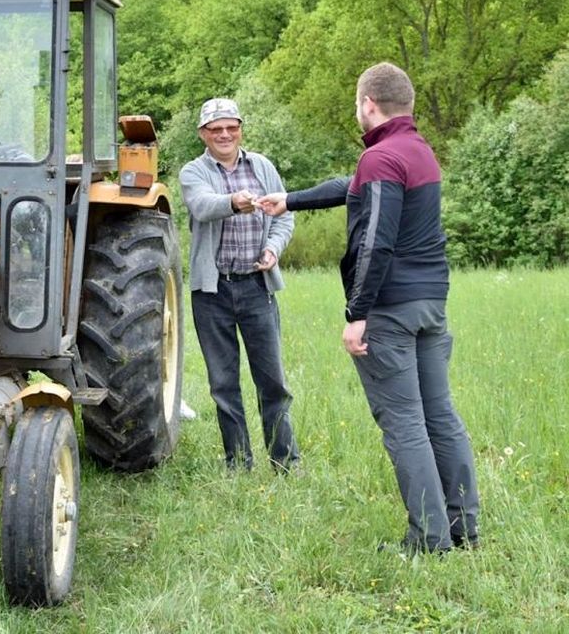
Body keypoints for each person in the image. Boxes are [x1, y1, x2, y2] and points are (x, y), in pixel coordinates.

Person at [257, 62, 479, 553]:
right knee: (440, 415)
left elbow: (376, 241)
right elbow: (350, 185)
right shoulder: (417, 151)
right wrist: (289, 200)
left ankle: (429, 539)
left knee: (405, 424)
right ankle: (464, 528)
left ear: (368, 105)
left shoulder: (381, 160)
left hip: (390, 311)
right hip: (430, 304)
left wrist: (358, 313)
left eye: (357, 104)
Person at [180, 98, 299, 472]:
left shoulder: (262, 166)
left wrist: (272, 248)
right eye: (216, 129)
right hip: (212, 292)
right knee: (223, 384)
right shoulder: (193, 171)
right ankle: (238, 463)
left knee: (273, 381)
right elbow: (202, 206)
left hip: (256, 287)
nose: (225, 135)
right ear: (203, 134)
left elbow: (284, 217)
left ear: (240, 129)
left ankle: (285, 462)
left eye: (231, 127)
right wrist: (234, 201)